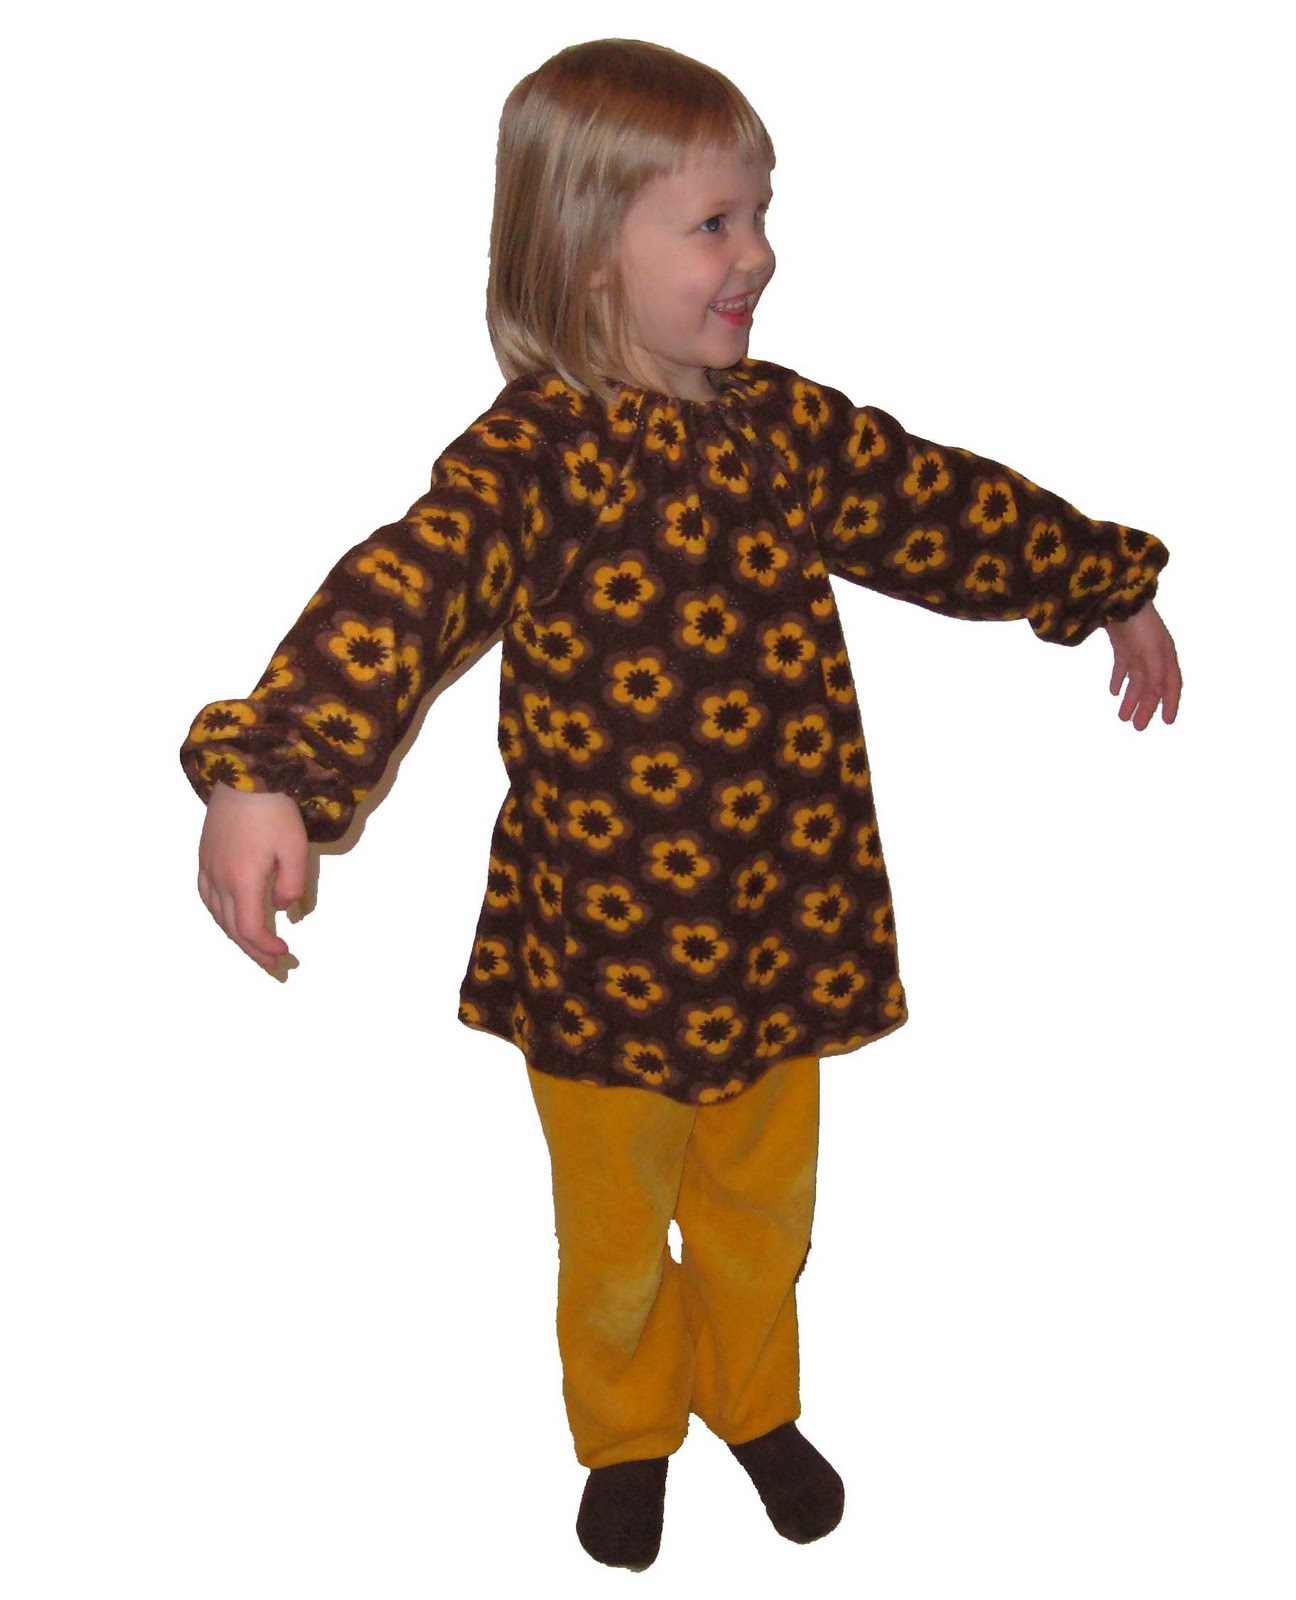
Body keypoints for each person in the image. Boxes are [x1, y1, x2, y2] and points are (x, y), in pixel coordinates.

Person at [180, 38, 1182, 1572]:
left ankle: (752, 1402)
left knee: (764, 1220)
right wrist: (272, 764)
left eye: (759, 214)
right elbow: (405, 590)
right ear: (590, 253)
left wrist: (1100, 581)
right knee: (612, 1246)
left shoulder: (784, 431)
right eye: (714, 223)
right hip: (603, 960)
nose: (757, 253)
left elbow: (943, 508)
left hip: (781, 934)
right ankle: (628, 1432)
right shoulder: (534, 461)